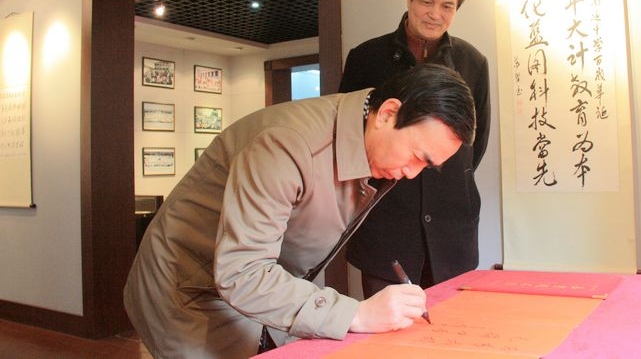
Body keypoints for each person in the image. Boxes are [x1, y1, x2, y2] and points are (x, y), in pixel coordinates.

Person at [123, 63, 476, 359]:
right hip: (188, 287)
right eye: (417, 156)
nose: (412, 173)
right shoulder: (287, 144)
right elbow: (242, 273)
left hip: (247, 289)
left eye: (426, 166)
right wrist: (356, 313)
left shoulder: (367, 139)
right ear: (387, 114)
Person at [339, 0, 491, 298]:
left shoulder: (473, 62)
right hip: (386, 228)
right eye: (426, 1)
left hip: (453, 232)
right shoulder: (365, 58)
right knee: (386, 326)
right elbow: (348, 135)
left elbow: (475, 142)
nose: (435, 14)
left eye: (447, 6)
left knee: (451, 325)